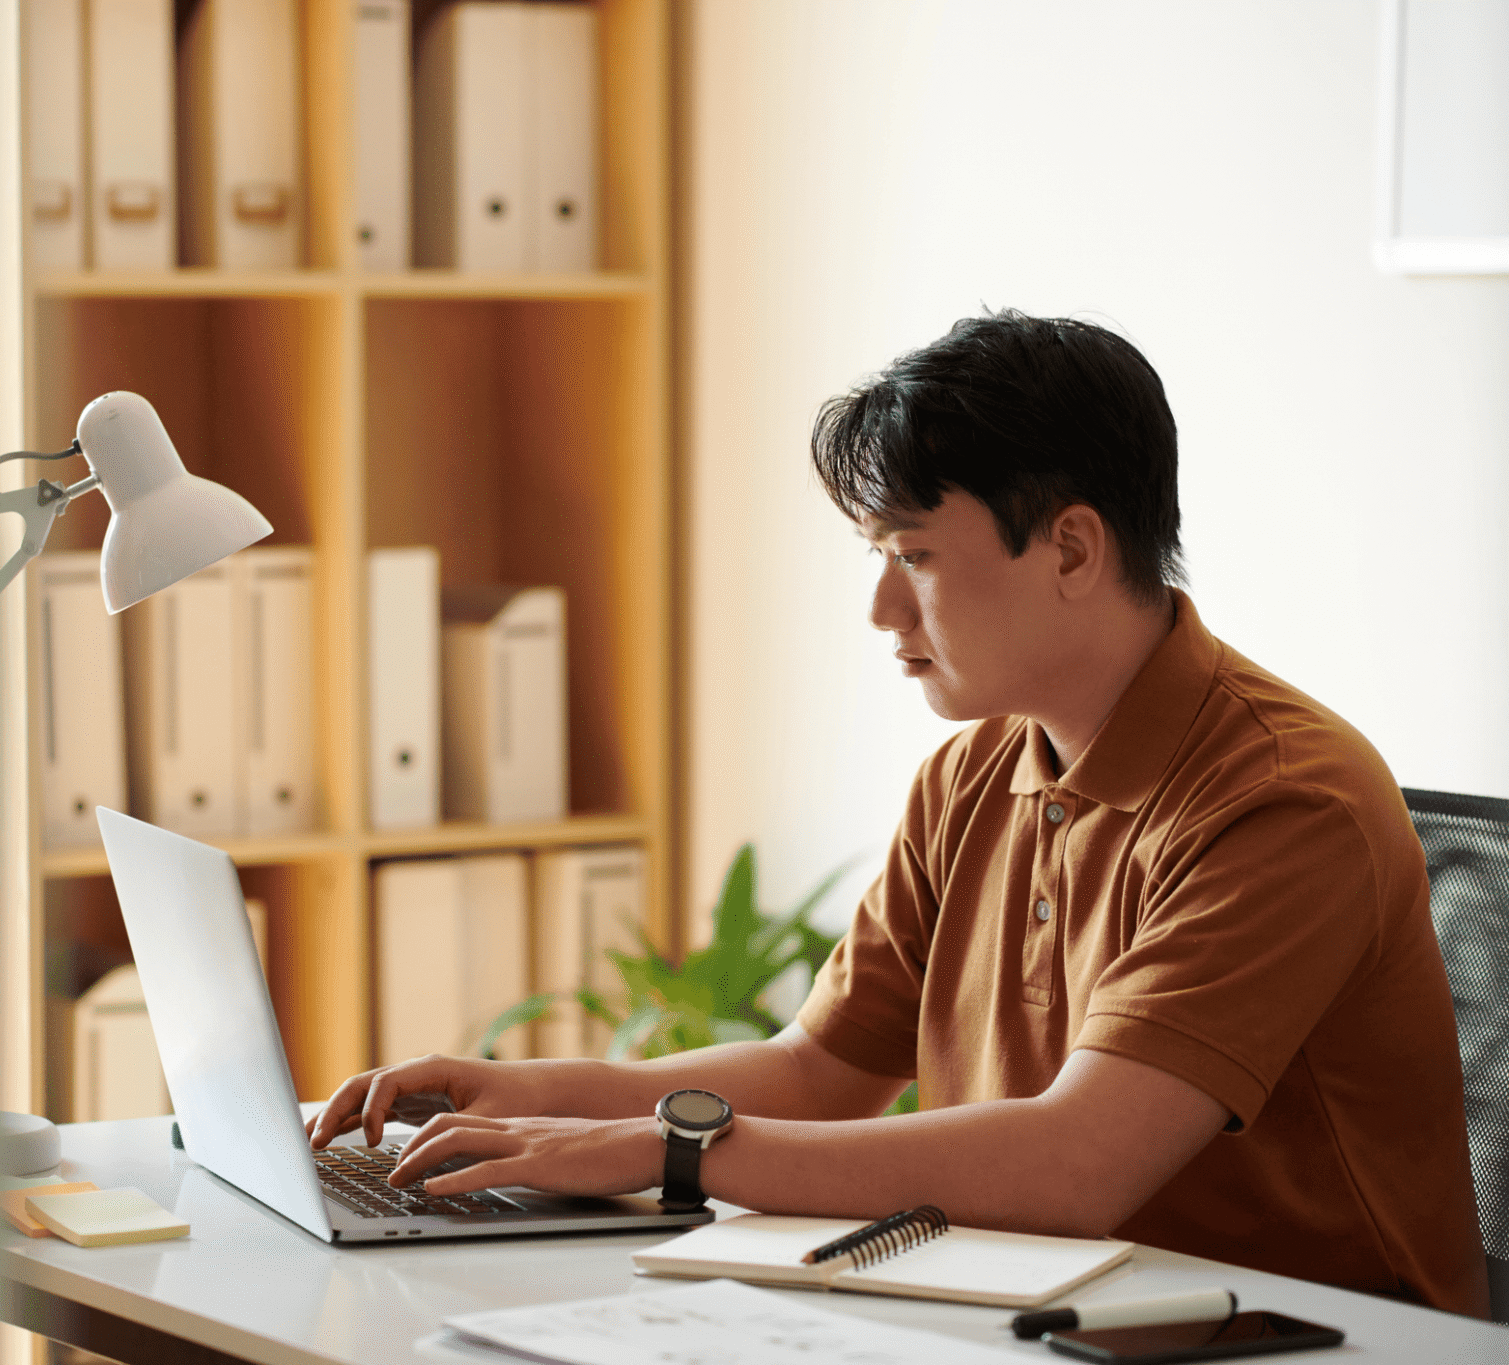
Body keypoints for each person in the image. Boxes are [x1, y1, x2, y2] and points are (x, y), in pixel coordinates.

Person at [308, 311, 1488, 1317]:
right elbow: (820, 1069)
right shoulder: (975, 771)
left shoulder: (1281, 799)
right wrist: (525, 1093)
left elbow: (1078, 1161)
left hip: (1284, 1335)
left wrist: (676, 1152)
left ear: (1071, 547)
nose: (880, 608)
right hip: (1038, 1306)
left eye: (912, 555)